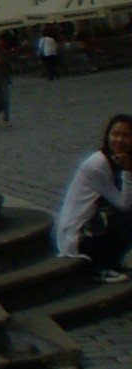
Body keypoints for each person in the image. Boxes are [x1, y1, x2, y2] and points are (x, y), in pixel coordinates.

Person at [55, 116, 132, 280]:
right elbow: (124, 205)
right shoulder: (98, 164)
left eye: (126, 136)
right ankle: (102, 264)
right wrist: (127, 171)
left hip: (96, 224)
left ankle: (110, 261)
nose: (119, 140)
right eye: (115, 134)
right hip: (77, 236)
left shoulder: (118, 159)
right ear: (107, 135)